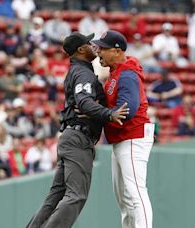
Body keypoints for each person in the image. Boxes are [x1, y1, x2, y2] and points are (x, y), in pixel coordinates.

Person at [26, 32, 129, 228]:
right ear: (81, 50)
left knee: (55, 197)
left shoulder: (78, 71)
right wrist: (109, 114)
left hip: (71, 136)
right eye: (89, 44)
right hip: (78, 139)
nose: (93, 46)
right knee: (76, 195)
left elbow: (81, 103)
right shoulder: (83, 73)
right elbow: (83, 102)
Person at [93, 30, 154, 228]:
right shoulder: (115, 73)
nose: (99, 51)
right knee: (124, 199)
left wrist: (99, 114)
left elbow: (127, 110)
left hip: (133, 137)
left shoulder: (127, 74)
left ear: (117, 51)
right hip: (121, 139)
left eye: (103, 48)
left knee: (136, 193)